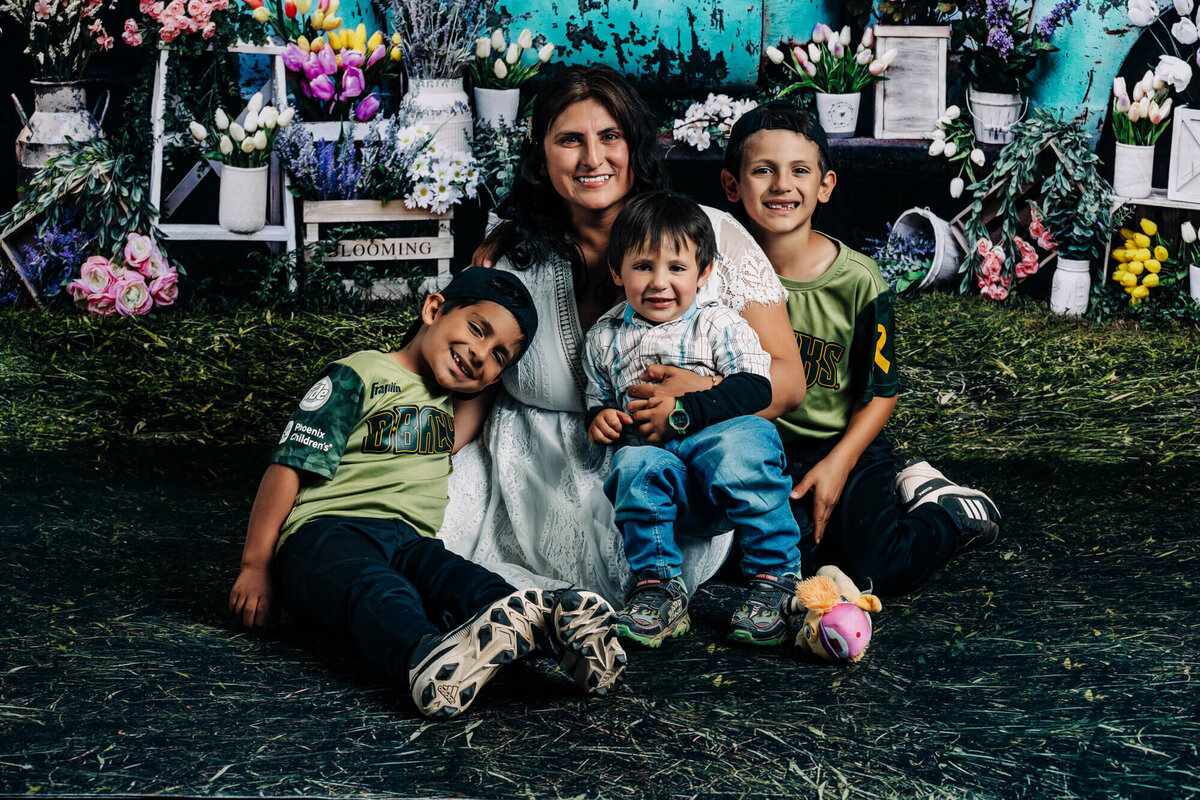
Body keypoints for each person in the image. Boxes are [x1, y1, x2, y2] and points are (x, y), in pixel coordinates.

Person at [439, 65, 807, 604]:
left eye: (610, 136)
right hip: (522, 470)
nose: (593, 159)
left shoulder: (712, 238)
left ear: (635, 146)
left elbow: (789, 379)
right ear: (542, 155)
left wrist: (700, 396)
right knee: (425, 541)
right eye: (570, 140)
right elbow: (475, 384)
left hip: (658, 464)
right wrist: (425, 452)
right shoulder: (508, 255)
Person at [228, 268, 627, 720]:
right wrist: (255, 565)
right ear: (434, 309)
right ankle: (425, 658)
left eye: (498, 355)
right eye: (477, 330)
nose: (479, 354)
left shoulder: (445, 406)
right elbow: (287, 467)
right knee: (378, 591)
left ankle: (556, 631)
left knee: (460, 579)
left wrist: (485, 378)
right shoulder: (359, 373)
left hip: (409, 540)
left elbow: (472, 408)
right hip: (326, 536)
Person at [719, 101, 1001, 595]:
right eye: (763, 170)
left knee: (875, 569)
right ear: (731, 185)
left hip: (842, 441)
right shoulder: (715, 271)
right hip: (759, 447)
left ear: (825, 185)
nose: (782, 185)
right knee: (761, 561)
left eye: (800, 171)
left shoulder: (859, 281)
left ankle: (947, 511)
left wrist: (839, 463)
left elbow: (881, 392)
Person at [584, 190, 802, 648]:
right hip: (665, 467)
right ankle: (660, 587)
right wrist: (602, 418)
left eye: (676, 268)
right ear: (616, 271)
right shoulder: (604, 338)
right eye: (642, 267)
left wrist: (684, 414)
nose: (659, 283)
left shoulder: (717, 323)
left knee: (745, 444)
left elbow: (756, 385)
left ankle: (775, 579)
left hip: (722, 444)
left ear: (703, 274)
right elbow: (600, 398)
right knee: (631, 468)